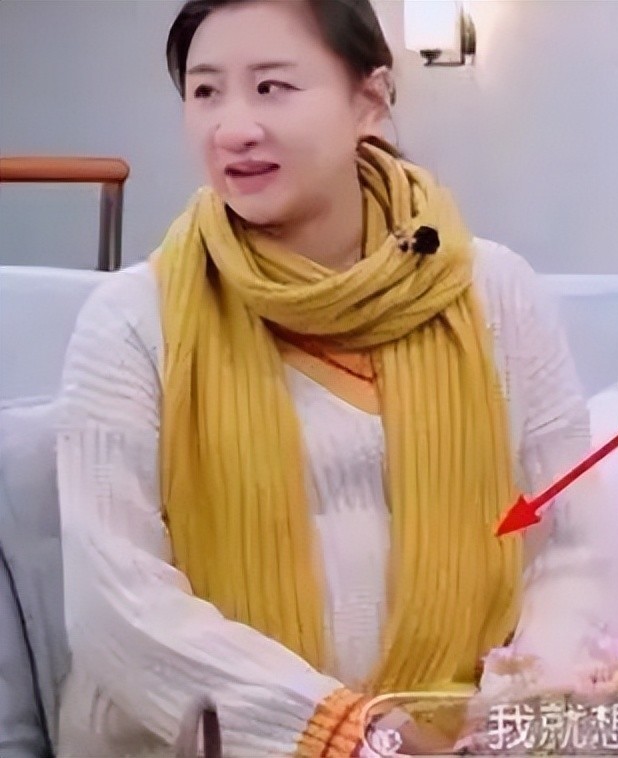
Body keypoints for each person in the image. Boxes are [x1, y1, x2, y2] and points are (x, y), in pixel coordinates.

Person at [54, 0, 589, 755]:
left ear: (370, 99)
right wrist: (353, 736)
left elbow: (573, 550)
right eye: (205, 91)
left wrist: (511, 720)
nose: (232, 128)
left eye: (271, 87)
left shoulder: (494, 292)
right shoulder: (134, 321)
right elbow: (118, 605)